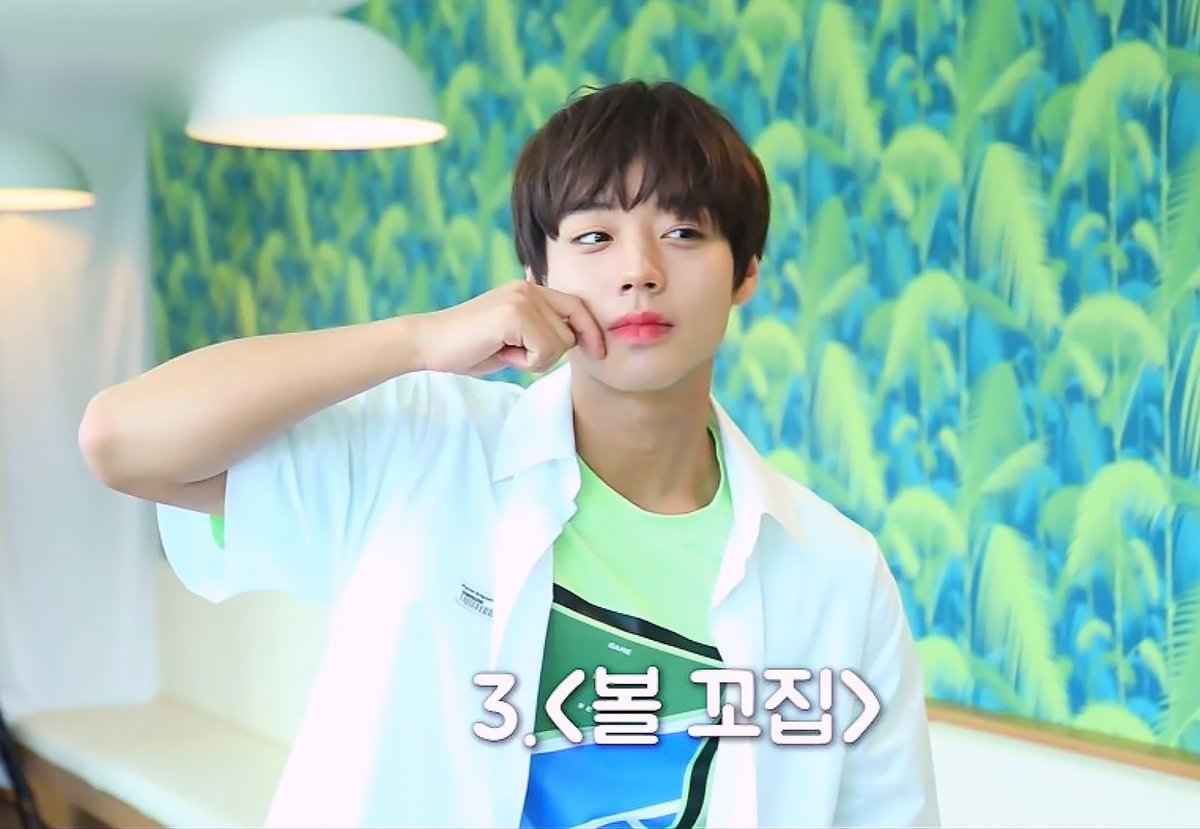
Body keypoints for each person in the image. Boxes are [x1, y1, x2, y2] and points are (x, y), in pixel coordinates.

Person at [78, 80, 939, 828]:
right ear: (537, 272)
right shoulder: (423, 446)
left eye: (684, 232)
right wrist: (418, 340)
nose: (639, 270)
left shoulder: (835, 568)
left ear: (746, 271)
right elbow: (122, 440)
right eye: (595, 237)